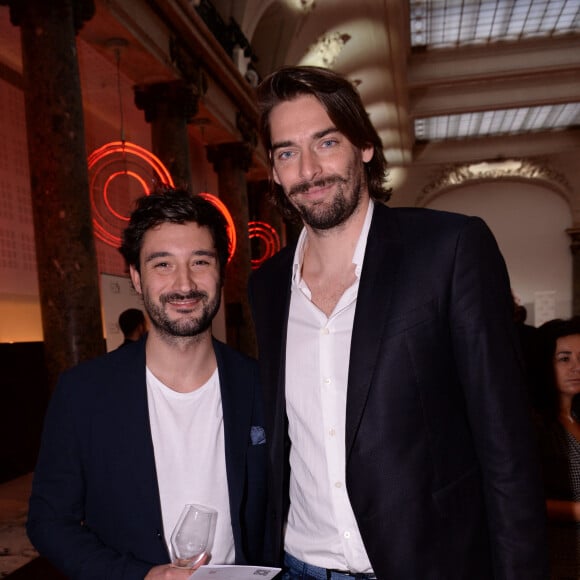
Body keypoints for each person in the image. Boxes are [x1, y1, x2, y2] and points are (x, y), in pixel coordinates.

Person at [249, 65, 548, 579]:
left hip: (428, 563)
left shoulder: (449, 250)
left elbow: (507, 447)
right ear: (274, 171)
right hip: (299, 563)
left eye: (326, 142)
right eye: (287, 152)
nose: (309, 170)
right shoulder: (268, 284)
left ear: (364, 145)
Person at [27, 188, 267, 579]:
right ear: (137, 278)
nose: (184, 283)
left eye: (200, 261)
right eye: (163, 265)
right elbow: (49, 523)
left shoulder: (261, 385)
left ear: (221, 270)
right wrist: (138, 576)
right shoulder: (83, 393)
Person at [534, 316, 580, 579]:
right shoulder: (535, 424)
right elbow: (523, 498)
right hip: (561, 555)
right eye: (564, 359)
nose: (576, 367)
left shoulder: (576, 415)